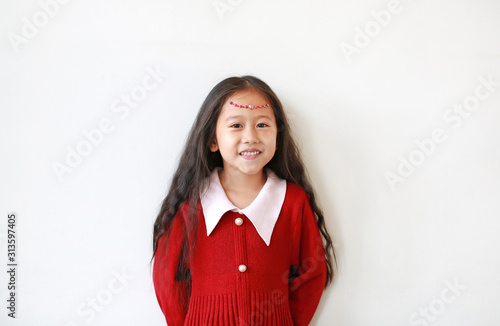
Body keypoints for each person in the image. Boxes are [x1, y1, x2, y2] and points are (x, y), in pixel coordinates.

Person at [152, 76, 335, 326]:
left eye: (262, 125)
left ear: (278, 138)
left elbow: (311, 272)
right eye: (236, 125)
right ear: (212, 140)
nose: (250, 136)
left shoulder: (292, 202)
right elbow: (167, 277)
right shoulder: (189, 206)